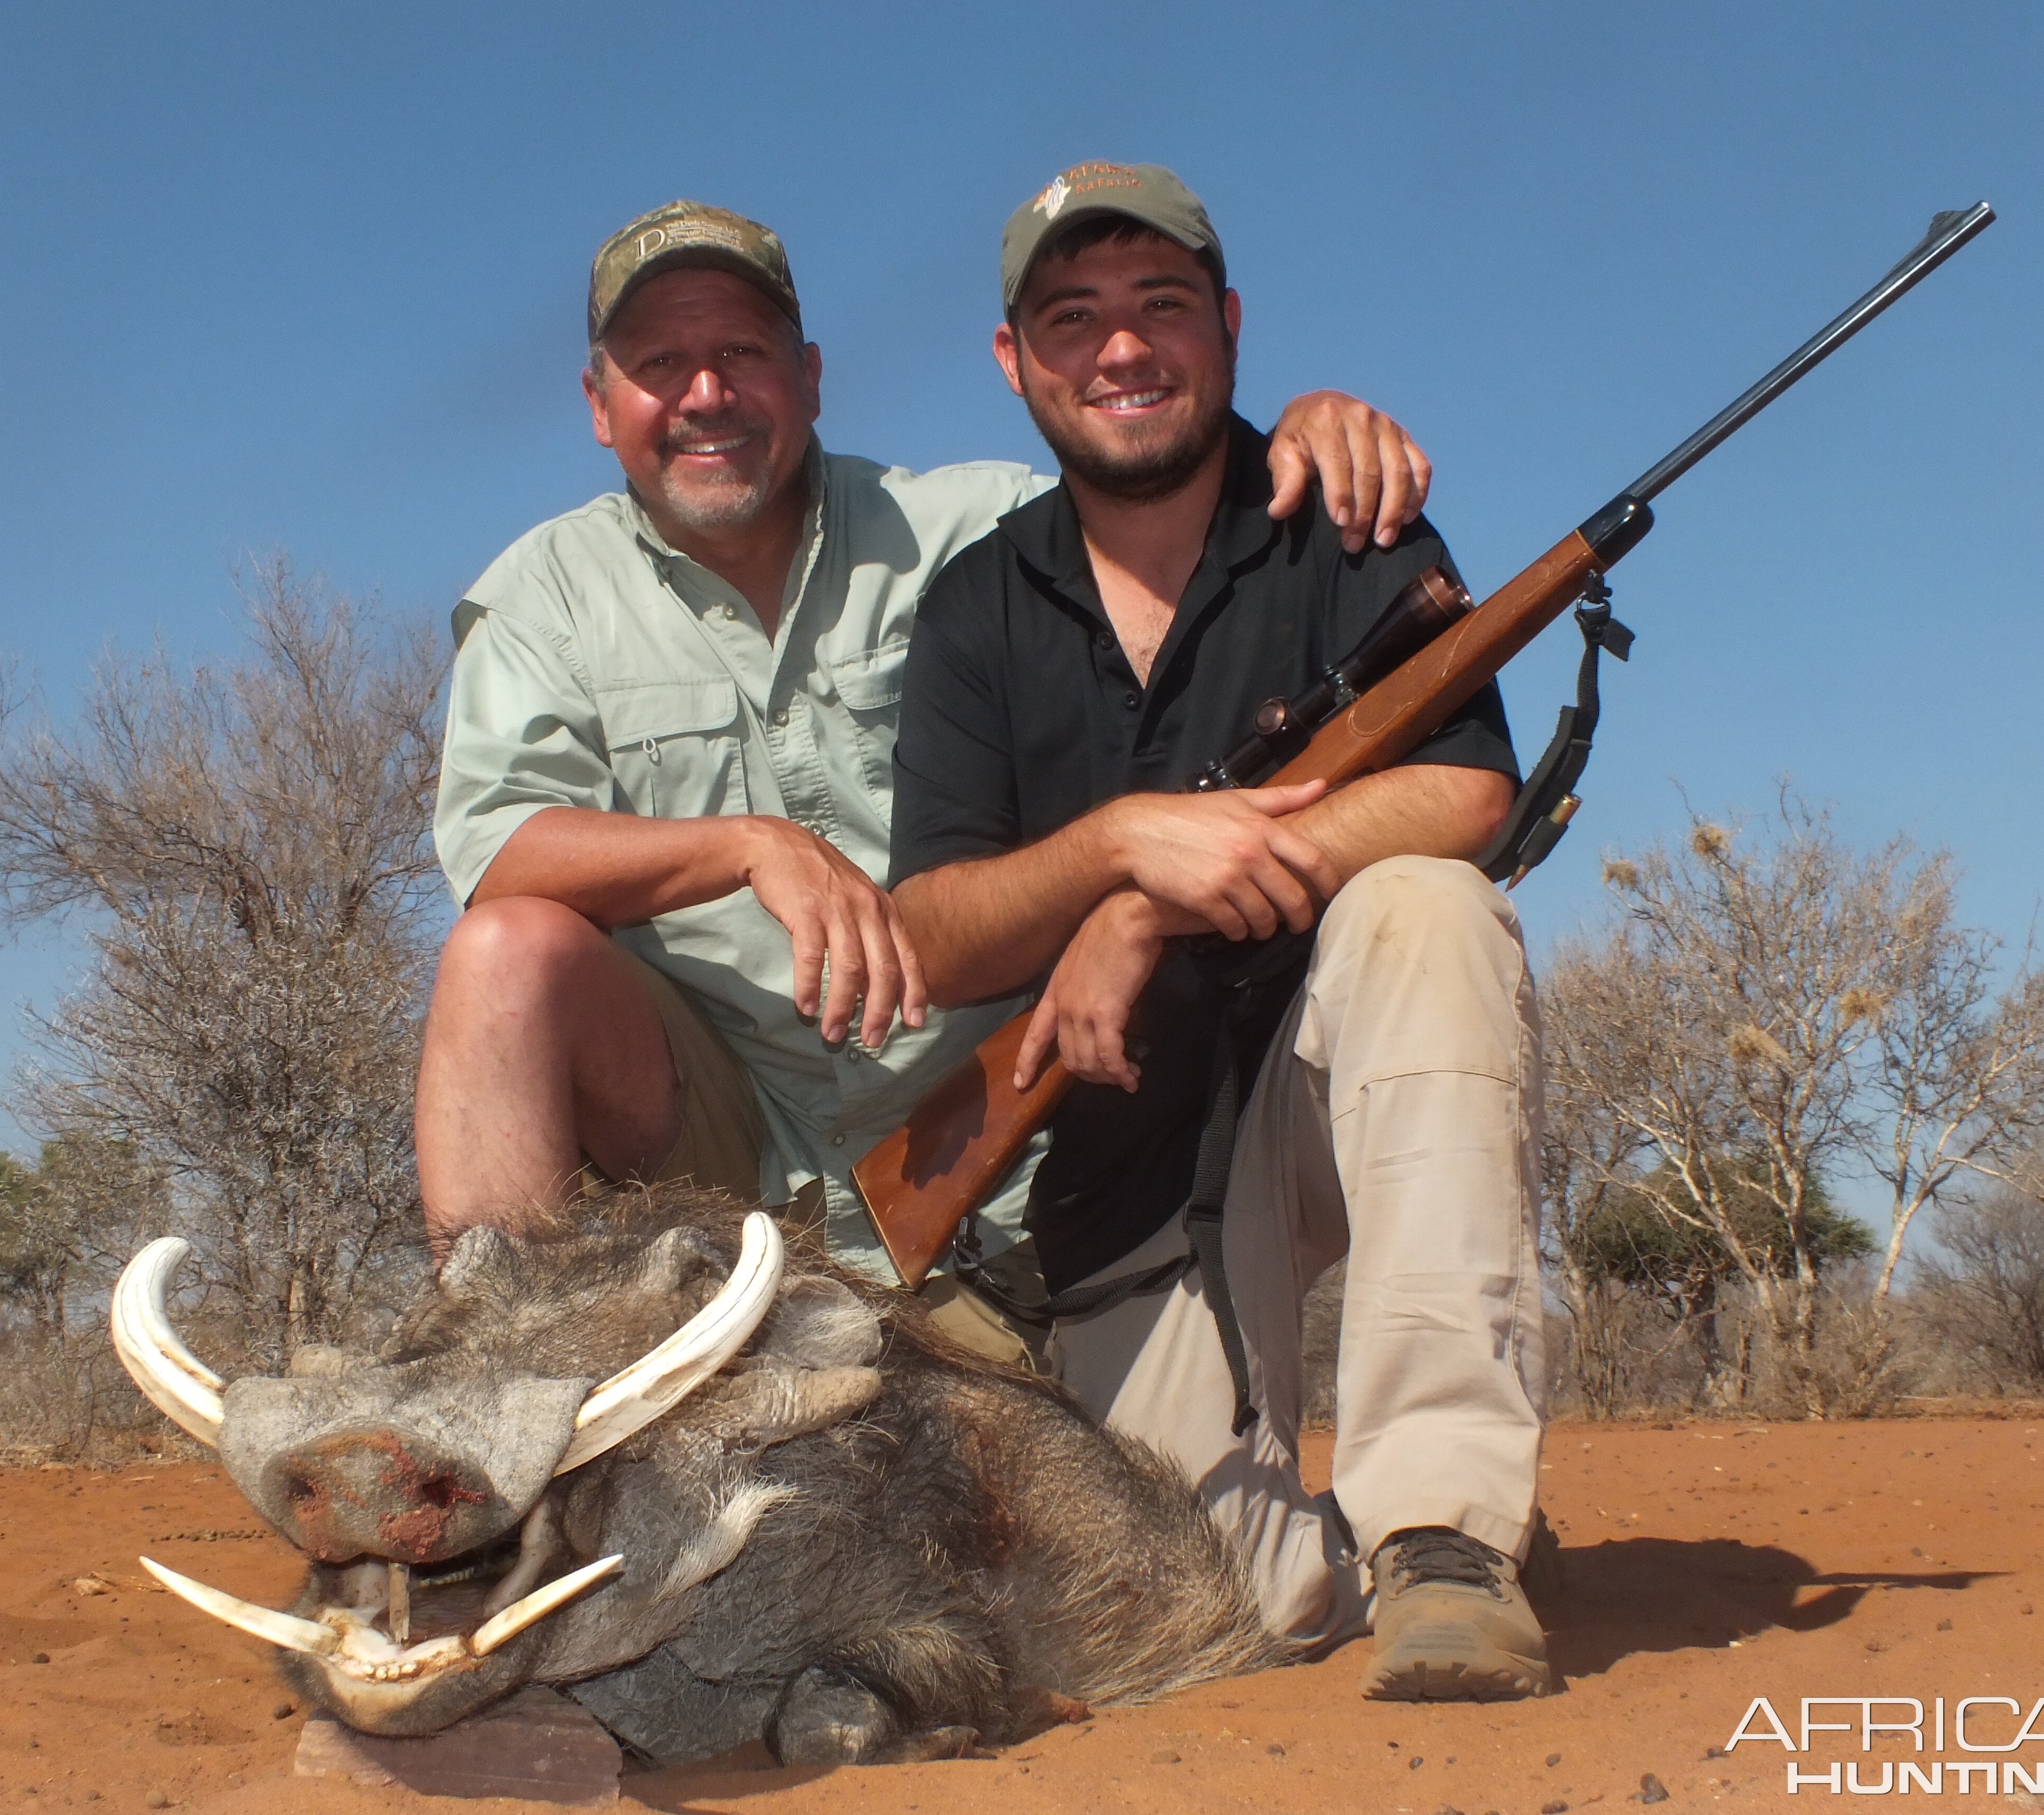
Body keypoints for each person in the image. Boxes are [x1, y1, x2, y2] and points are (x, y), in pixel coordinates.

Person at [418, 196, 1435, 1355]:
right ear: (602, 405)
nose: (707, 394)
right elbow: (496, 846)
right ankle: (492, 1402)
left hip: (1012, 1140)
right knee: (503, 953)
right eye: (661, 363)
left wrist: (1299, 428)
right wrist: (750, 845)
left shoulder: (980, 525)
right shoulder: (541, 593)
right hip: (713, 1147)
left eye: (742, 354)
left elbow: (1157, 481)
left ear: (808, 378)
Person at [887, 162, 1551, 1699]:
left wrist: (1161, 902)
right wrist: (1123, 858)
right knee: (1217, 1620)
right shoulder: (979, 606)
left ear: (1230, 327)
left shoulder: (1353, 519)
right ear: (1016, 362)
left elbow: (1466, 796)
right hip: (1139, 1166)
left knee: (1427, 912)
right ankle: (1342, 1536)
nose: (1123, 349)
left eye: (1162, 307)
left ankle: (1447, 1533)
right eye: (1075, 319)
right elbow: (931, 934)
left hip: (1351, 1092)